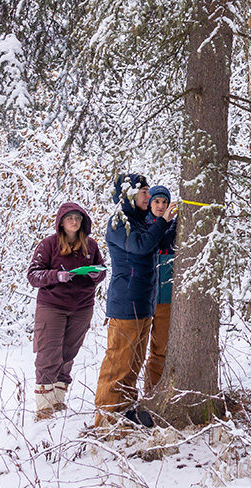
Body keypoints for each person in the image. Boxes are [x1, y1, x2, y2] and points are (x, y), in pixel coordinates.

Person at [94, 174, 177, 428]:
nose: (148, 197)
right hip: (126, 304)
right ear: (128, 195)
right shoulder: (120, 223)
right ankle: (106, 420)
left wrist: (174, 221)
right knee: (118, 363)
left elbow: (162, 242)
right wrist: (162, 221)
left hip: (143, 305)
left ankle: (126, 412)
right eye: (144, 193)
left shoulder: (140, 222)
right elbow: (141, 246)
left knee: (133, 364)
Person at [26, 202, 106, 421]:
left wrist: (94, 275)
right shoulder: (49, 245)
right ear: (61, 222)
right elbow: (33, 275)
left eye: (78, 219)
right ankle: (44, 409)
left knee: (68, 354)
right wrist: (56, 276)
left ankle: (59, 403)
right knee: (48, 354)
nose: (74, 222)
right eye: (70, 218)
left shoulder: (91, 246)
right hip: (52, 306)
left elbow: (102, 271)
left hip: (82, 307)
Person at [143, 185, 176, 391]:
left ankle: (153, 390)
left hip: (166, 298)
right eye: (156, 201)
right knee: (134, 349)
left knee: (160, 349)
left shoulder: (176, 227)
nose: (161, 206)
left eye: (164, 202)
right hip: (144, 297)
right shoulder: (142, 225)